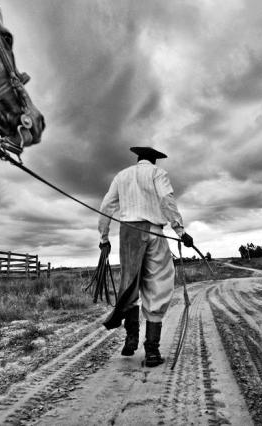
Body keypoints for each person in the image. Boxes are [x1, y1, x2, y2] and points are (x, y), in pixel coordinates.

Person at [98, 146, 193, 367]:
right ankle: (151, 351)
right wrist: (180, 231)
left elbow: (105, 207)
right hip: (154, 233)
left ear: (138, 159)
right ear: (154, 161)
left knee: (130, 284)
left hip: (129, 233)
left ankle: (131, 338)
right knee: (157, 286)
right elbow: (166, 199)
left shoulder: (121, 176)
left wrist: (104, 238)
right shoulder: (158, 174)